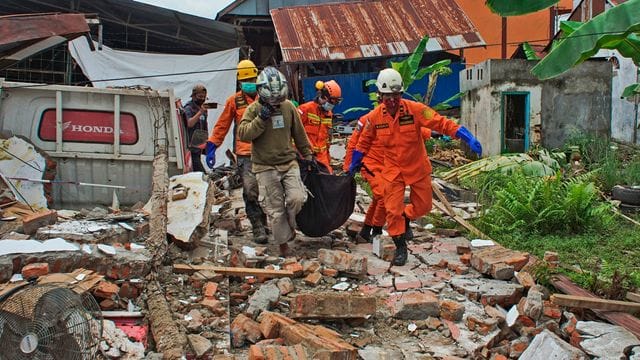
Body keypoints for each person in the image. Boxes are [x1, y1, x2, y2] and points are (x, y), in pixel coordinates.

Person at [349, 68, 482, 266]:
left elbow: (440, 122)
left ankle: (406, 216)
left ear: (400, 94)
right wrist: (354, 162)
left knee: (424, 206)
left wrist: (464, 135)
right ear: (380, 96)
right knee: (392, 210)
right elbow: (364, 142)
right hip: (393, 171)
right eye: (388, 96)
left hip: (417, 167)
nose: (392, 100)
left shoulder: (415, 109)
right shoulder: (375, 117)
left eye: (396, 95)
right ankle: (401, 247)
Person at [237, 66, 314, 257]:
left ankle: (290, 224)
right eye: (273, 102)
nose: (276, 105)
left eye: (278, 100)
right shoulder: (253, 109)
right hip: (264, 166)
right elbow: (244, 134)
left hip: (288, 162)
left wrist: (309, 155)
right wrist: (261, 119)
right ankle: (283, 246)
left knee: (297, 198)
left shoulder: (288, 107)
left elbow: (299, 134)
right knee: (275, 208)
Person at [205, 60, 268, 244]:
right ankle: (257, 225)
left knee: (270, 191)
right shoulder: (234, 101)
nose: (249, 82)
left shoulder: (266, 97)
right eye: (245, 79)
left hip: (267, 152)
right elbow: (222, 125)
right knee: (250, 190)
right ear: (240, 81)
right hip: (245, 153)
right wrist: (212, 147)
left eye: (251, 78)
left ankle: (267, 221)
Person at [344, 118, 432, 243]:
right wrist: (348, 166)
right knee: (383, 196)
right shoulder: (368, 120)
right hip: (371, 164)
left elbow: (422, 131)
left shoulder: (402, 119)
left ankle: (366, 230)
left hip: (389, 167)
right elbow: (353, 144)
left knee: (378, 199)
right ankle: (377, 230)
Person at [298, 80, 342, 173]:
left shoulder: (329, 114)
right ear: (323, 96)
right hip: (304, 156)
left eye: (335, 102)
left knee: (328, 179)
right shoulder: (305, 109)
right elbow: (293, 133)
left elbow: (326, 140)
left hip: (322, 158)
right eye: (331, 101)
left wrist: (328, 160)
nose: (332, 105)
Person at [183, 84, 209, 172]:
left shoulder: (203, 108)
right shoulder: (189, 108)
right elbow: (189, 123)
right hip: (190, 146)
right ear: (194, 96)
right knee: (201, 172)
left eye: (204, 97)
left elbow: (205, 125)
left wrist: (206, 143)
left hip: (199, 145)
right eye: (200, 96)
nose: (202, 99)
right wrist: (200, 112)